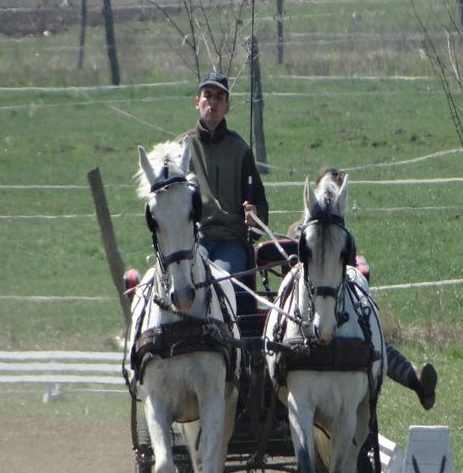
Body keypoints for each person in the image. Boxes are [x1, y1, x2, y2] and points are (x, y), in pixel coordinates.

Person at [290, 167, 438, 410]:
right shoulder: (304, 229)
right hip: (306, 305)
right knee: (375, 342)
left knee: (373, 338)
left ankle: (416, 378)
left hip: (338, 304)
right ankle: (415, 378)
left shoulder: (340, 234)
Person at [178, 71, 269, 278]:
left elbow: (261, 208)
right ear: (197, 101)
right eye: (207, 95)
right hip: (194, 240)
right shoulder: (181, 148)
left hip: (232, 242)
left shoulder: (241, 150)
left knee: (221, 278)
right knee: (192, 276)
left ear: (227, 106)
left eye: (219, 97)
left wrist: (255, 215)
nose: (213, 102)